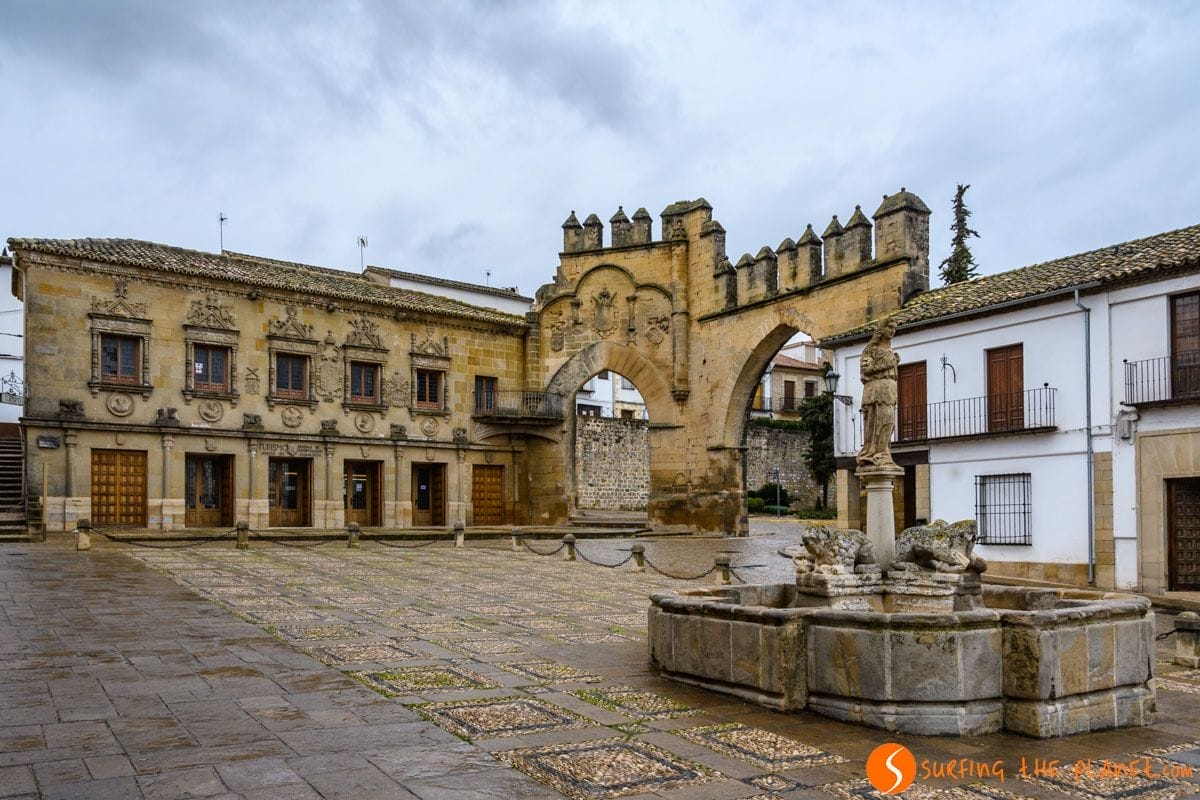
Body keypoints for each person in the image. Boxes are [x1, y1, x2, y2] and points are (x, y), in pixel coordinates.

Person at [857, 317, 899, 468]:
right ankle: (875, 451)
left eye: (894, 328)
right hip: (877, 388)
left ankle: (884, 451)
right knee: (880, 420)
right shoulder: (871, 350)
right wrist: (888, 363)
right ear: (882, 330)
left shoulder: (890, 351)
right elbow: (865, 371)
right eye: (890, 328)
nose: (892, 331)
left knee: (889, 422)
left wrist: (894, 363)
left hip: (890, 387)